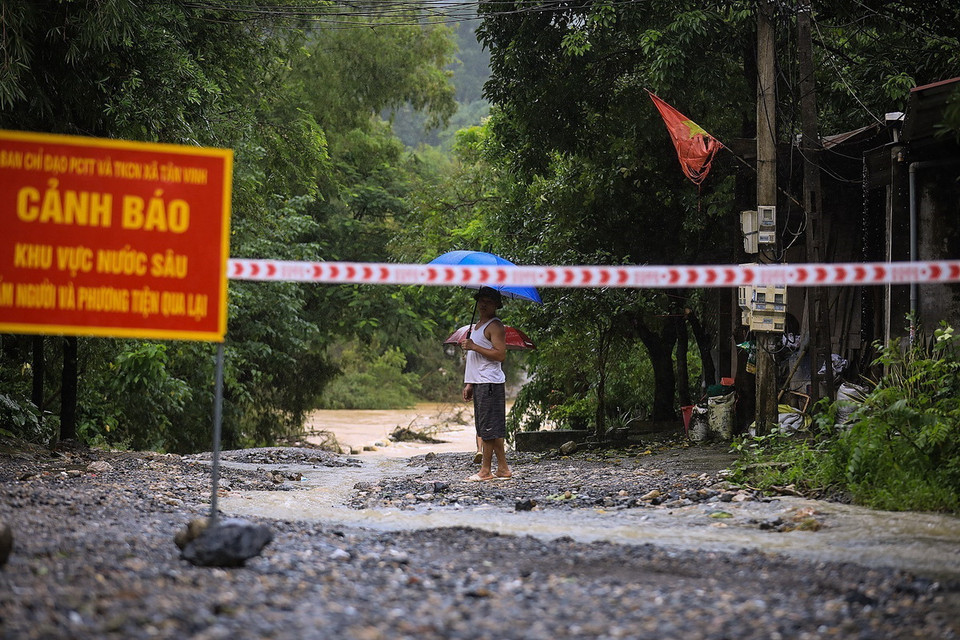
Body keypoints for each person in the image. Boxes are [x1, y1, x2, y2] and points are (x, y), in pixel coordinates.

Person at [461, 286, 512, 481]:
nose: (483, 304)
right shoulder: (477, 326)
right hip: (480, 381)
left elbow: (500, 355)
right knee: (489, 427)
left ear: (497, 305)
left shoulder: (495, 326)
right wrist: (469, 383)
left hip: (490, 382)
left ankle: (485, 471)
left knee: (488, 429)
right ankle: (503, 469)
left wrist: (474, 346)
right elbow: (474, 359)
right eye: (481, 300)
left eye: (489, 301)